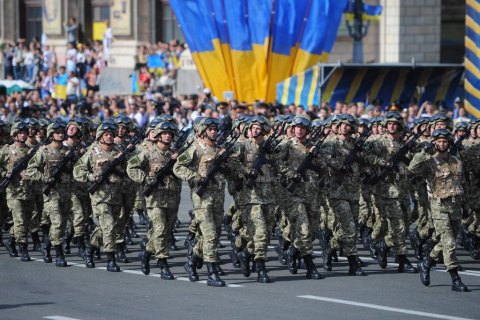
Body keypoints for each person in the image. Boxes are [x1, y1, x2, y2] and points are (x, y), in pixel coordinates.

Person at [173, 117, 235, 287]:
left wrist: (227, 161)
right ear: (202, 131)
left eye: (215, 129)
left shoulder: (220, 149)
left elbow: (230, 172)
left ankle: (192, 262)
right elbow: (178, 167)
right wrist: (195, 177)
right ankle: (211, 272)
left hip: (218, 197)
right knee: (210, 235)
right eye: (210, 129)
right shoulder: (196, 149)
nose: (214, 131)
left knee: (213, 233)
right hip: (202, 198)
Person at [408, 129, 469, 292]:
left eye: (444, 142)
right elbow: (412, 169)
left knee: (448, 242)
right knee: (449, 243)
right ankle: (455, 279)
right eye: (439, 141)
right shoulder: (429, 161)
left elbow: (461, 183)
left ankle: (427, 262)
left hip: (455, 206)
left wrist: (465, 206)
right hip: (439, 206)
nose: (441, 144)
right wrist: (422, 152)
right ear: (435, 143)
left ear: (449, 143)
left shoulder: (456, 160)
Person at [127, 121, 181, 279]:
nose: (167, 136)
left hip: (172, 197)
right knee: (159, 229)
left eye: (170, 134)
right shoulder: (148, 153)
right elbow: (131, 167)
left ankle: (146, 253)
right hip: (155, 199)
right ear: (158, 135)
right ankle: (162, 263)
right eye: (164, 133)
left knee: (166, 231)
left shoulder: (174, 153)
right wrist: (145, 178)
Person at [73, 121, 126, 272]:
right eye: (106, 135)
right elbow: (77, 171)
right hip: (100, 196)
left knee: (109, 228)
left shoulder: (118, 151)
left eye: (111, 134)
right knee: (108, 227)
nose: (109, 137)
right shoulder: (92, 152)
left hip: (116, 195)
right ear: (100, 136)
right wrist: (92, 176)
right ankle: (111, 259)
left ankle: (90, 248)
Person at [26, 121, 73, 267]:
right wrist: (45, 178)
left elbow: (77, 169)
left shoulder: (68, 151)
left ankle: (46, 246)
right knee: (57, 222)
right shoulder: (44, 151)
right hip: (51, 193)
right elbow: (31, 169)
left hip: (66, 192)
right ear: (51, 134)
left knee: (62, 224)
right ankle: (59, 254)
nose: (60, 134)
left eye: (62, 132)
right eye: (57, 132)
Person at [0, 121, 34, 261]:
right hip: (13, 191)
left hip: (28, 190)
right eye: (20, 133)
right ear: (14, 134)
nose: (22, 135)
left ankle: (12, 242)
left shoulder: (31, 150)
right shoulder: (6, 150)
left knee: (25, 222)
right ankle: (23, 249)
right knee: (19, 221)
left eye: (24, 133)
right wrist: (4, 173)